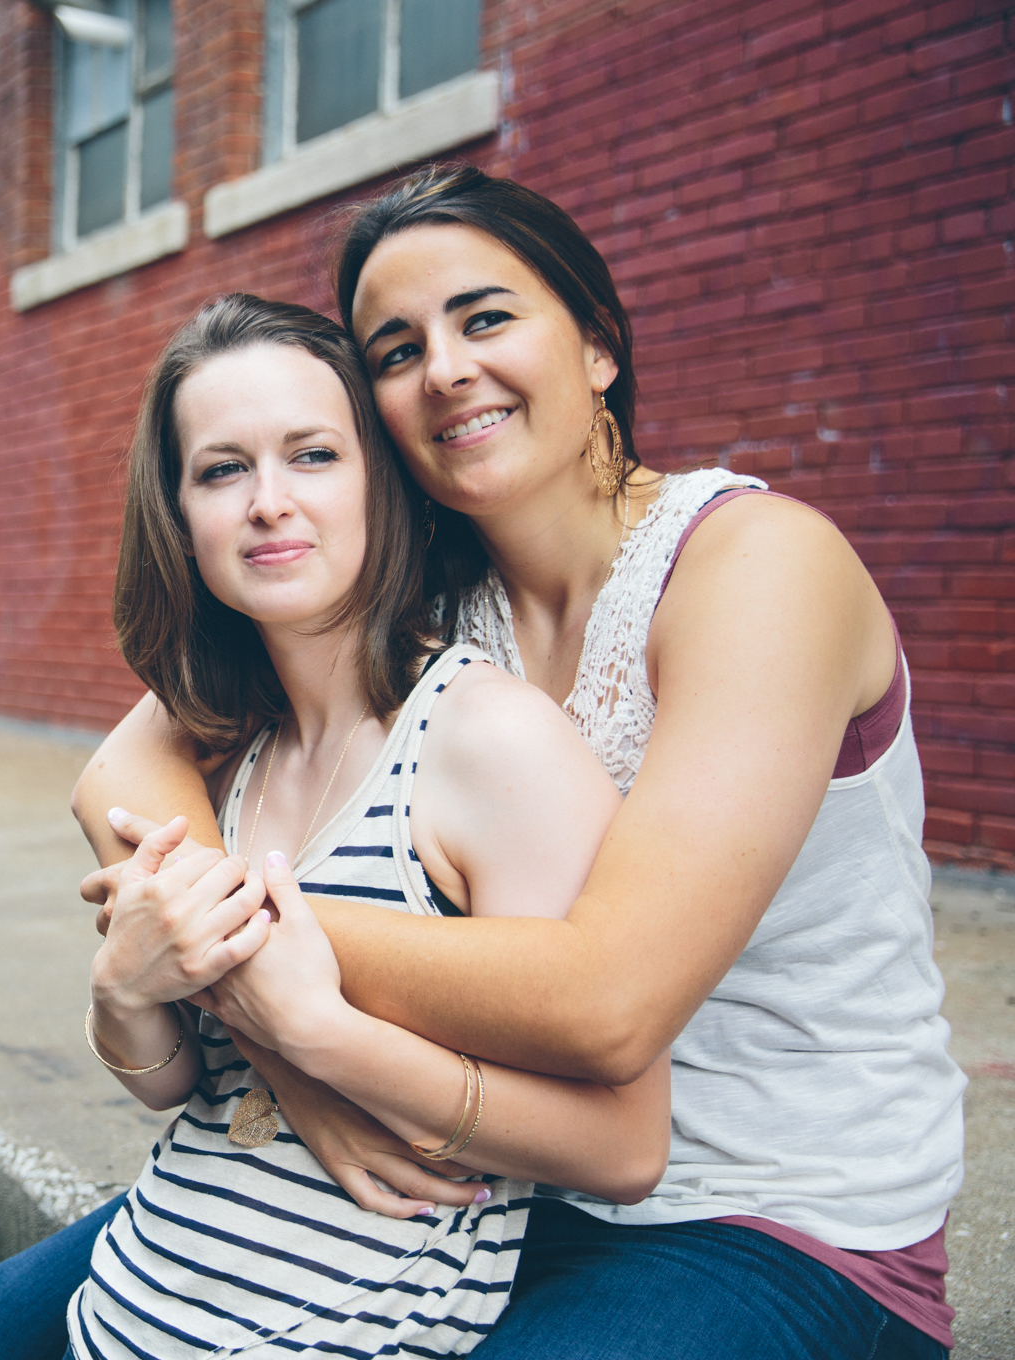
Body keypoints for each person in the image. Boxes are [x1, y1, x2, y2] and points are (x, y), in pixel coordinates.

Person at [56, 165, 964, 1358]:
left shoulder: (756, 567)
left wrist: (241, 951)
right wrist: (279, 1043)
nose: (444, 370)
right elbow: (127, 764)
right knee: (23, 1314)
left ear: (598, 346)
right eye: (396, 350)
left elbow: (608, 1002)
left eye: (484, 318)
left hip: (770, 1206)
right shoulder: (427, 588)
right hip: (498, 1167)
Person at [0, 292, 671, 1360]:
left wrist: (323, 1038)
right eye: (221, 470)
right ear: (178, 516)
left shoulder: (489, 743)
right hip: (129, 1310)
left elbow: (623, 1149)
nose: (269, 503)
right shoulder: (223, 753)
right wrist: (123, 992)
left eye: (313, 456)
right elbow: (179, 1087)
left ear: (381, 485)